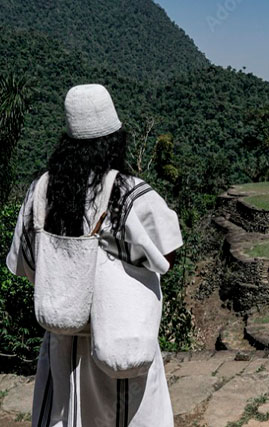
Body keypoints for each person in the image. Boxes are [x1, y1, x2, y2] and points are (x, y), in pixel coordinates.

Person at [5, 84, 183, 427]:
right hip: (122, 338)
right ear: (115, 139)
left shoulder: (41, 191)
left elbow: (26, 264)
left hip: (63, 344)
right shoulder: (129, 194)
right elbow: (167, 257)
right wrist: (114, 251)